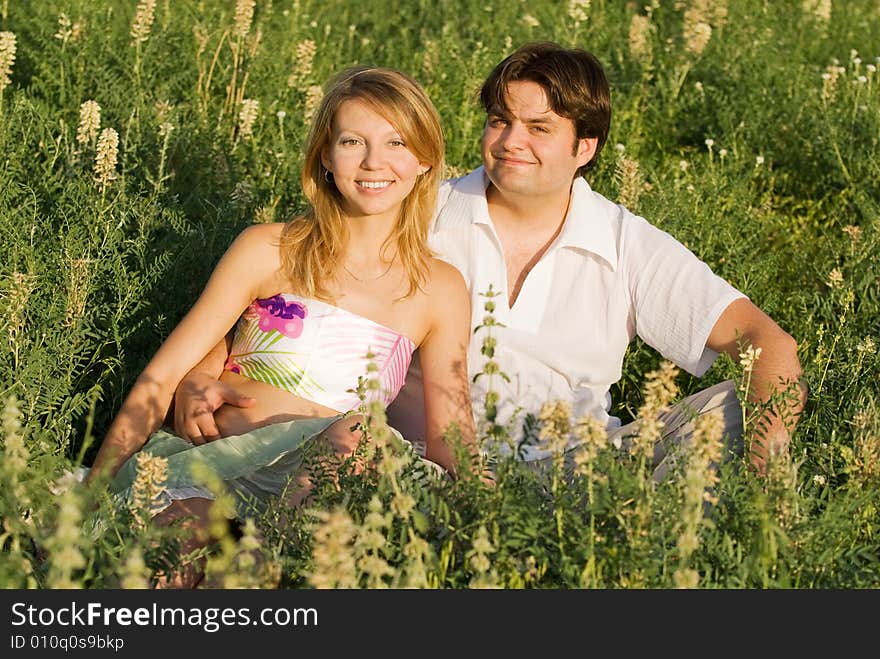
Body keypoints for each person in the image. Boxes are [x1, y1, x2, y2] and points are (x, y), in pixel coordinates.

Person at [175, 42, 806, 481]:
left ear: (584, 147)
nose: (510, 142)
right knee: (358, 463)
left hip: (587, 464)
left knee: (730, 410)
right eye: (500, 120)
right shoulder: (422, 209)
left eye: (539, 128)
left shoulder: (623, 241)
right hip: (428, 460)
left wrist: (762, 469)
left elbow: (764, 342)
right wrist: (202, 370)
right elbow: (283, 280)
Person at [84, 66, 475, 587]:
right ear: (326, 157)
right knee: (161, 565)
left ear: (424, 161)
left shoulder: (440, 287)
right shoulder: (269, 249)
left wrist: (485, 517)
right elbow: (165, 373)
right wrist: (90, 495)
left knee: (356, 432)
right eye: (353, 141)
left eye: (397, 142)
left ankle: (268, 567)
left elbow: (454, 439)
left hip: (326, 487)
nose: (374, 162)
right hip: (219, 466)